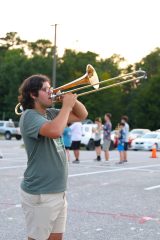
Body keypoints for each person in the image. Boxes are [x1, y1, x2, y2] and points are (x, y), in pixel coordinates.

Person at [18, 74, 88, 240]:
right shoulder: (29, 116)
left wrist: (71, 100)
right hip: (41, 192)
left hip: (57, 191)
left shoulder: (49, 113)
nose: (51, 92)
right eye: (45, 90)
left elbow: (82, 115)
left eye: (51, 88)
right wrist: (66, 106)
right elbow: (54, 131)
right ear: (33, 95)